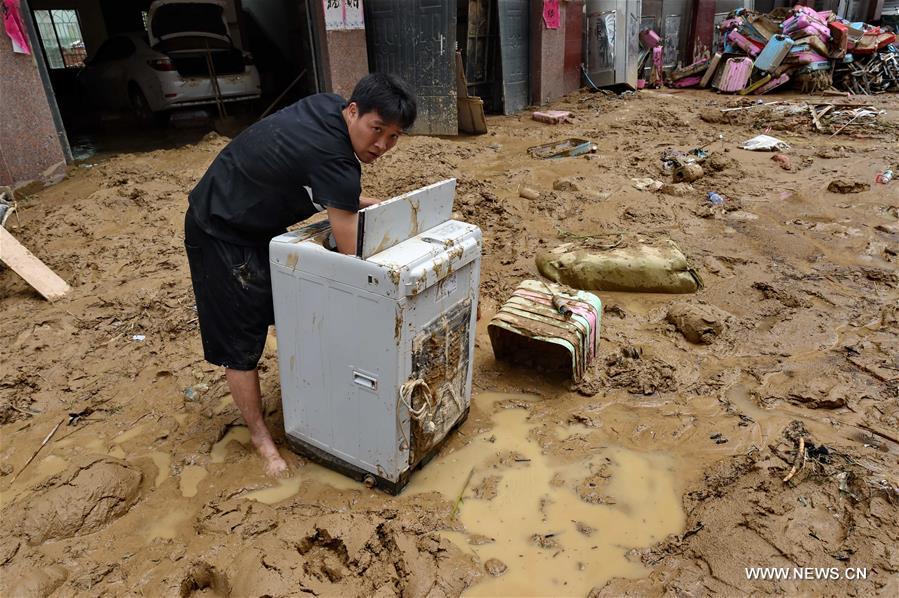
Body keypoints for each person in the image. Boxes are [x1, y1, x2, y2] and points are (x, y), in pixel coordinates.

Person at [184, 73, 417, 476]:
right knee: (241, 340)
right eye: (377, 129)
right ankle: (260, 437)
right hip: (218, 226)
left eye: (394, 136)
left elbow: (313, 173)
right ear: (353, 111)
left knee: (289, 308)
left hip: (255, 217)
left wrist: (365, 203)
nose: (382, 145)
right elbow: (352, 255)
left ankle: (308, 390)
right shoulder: (336, 161)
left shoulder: (328, 107)